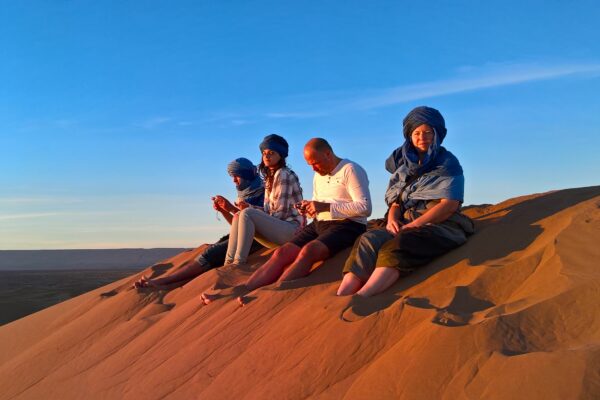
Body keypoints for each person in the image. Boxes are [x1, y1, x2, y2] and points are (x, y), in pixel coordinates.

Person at [201, 137, 371, 305]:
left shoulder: (351, 170)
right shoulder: (318, 175)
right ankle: (242, 290)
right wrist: (310, 209)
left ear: (327, 154)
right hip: (320, 223)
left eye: (315, 163)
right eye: (309, 164)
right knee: (281, 253)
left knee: (309, 251)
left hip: (348, 225)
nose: (313, 168)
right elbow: (318, 205)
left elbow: (365, 207)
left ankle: (271, 292)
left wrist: (325, 207)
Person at [337, 106, 475, 297]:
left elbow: (449, 204)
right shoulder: (403, 166)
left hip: (439, 223)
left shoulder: (448, 164)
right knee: (368, 239)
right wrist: (393, 220)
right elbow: (395, 203)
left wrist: (416, 224)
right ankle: (343, 295)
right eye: (416, 132)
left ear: (437, 134)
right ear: (409, 135)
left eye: (428, 132)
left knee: (399, 244)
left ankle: (363, 297)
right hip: (403, 221)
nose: (422, 137)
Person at [133, 157, 265, 289]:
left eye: (237, 176)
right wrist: (224, 210)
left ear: (246, 175)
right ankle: (169, 285)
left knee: (211, 254)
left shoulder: (263, 193)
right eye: (232, 176)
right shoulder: (245, 193)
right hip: (245, 236)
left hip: (257, 240)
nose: (233, 180)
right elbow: (238, 225)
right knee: (213, 254)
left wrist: (231, 208)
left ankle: (163, 281)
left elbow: (255, 224)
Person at [223, 134, 305, 265]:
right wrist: (249, 208)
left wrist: (251, 212)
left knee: (246, 214)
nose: (266, 156)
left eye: (271, 153)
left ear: (281, 155)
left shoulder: (283, 174)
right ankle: (229, 263)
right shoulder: (269, 177)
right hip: (279, 230)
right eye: (264, 153)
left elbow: (280, 214)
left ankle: (238, 263)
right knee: (239, 214)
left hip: (292, 231)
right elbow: (269, 211)